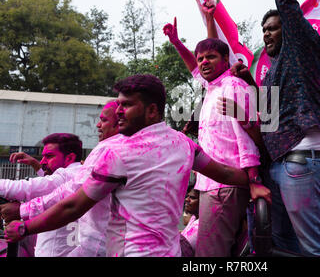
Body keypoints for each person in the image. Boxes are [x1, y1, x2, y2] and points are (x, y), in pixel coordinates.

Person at [4, 74, 264, 257]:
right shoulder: (184, 144)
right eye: (118, 104)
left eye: (126, 105)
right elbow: (227, 173)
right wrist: (255, 182)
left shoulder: (118, 153)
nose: (118, 112)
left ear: (152, 111)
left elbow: (73, 205)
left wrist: (26, 226)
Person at [251, 0, 320, 257]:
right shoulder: (273, 72)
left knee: (315, 248)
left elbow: (286, 1)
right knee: (285, 247)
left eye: (273, 28)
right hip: (280, 165)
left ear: (289, 29)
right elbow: (267, 114)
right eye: (263, 29)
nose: (266, 33)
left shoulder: (301, 45)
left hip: (304, 159)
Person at [164, 20, 270, 257]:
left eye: (210, 57)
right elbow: (194, 69)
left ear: (225, 61)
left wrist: (253, 179)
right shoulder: (213, 88)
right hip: (211, 185)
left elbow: (245, 138)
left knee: (210, 254)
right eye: (200, 58)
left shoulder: (234, 86)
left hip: (226, 186)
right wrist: (177, 43)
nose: (203, 63)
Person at [8, 101, 121, 257]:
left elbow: (55, 190)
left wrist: (22, 216)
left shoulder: (107, 152)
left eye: (49, 156)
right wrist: (36, 167)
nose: (98, 125)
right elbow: (53, 184)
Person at [0, 133, 83, 257]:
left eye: (49, 156)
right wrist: (35, 164)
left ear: (69, 158)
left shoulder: (68, 175)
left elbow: (27, 188)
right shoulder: (79, 173)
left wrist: (20, 210)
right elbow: (52, 186)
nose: (43, 162)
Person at [180, 187, 200, 257]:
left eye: (192, 198)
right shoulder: (193, 218)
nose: (186, 199)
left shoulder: (202, 224)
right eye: (187, 196)